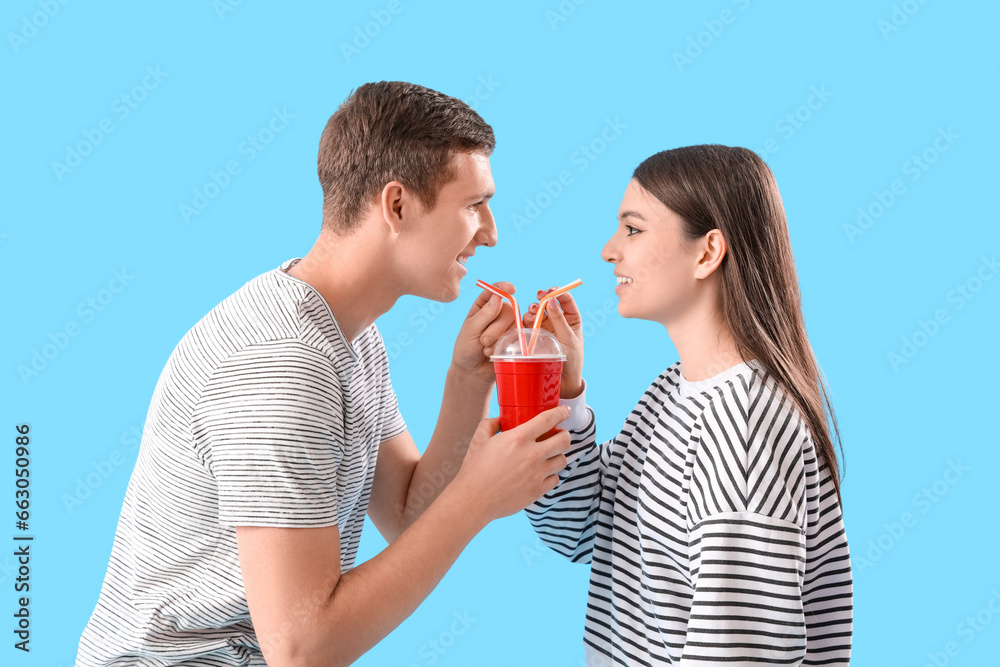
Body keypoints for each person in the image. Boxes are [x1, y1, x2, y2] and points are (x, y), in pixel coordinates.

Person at [76, 81, 572, 667]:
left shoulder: (350, 334)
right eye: (473, 205)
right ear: (397, 205)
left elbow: (409, 514)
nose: (491, 231)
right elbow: (302, 647)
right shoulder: (284, 361)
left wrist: (469, 382)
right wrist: (477, 500)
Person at [523, 145, 853, 666]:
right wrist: (561, 388)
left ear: (706, 253)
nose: (610, 251)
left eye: (632, 229)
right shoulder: (671, 392)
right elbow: (580, 526)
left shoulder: (745, 431)